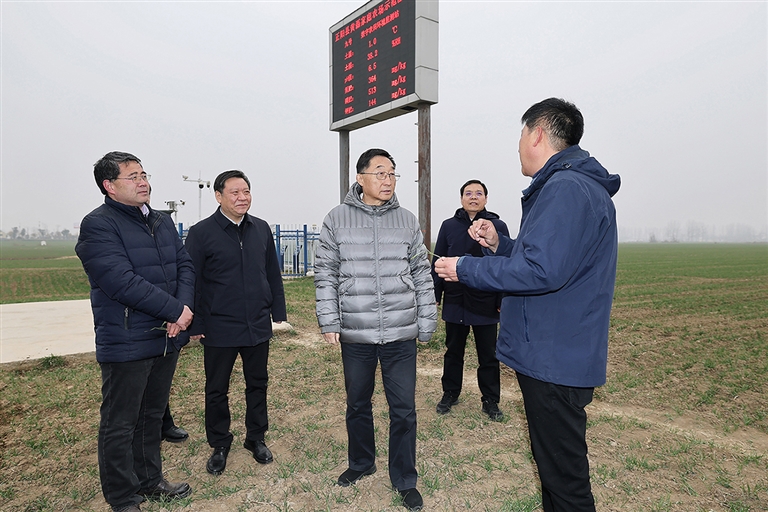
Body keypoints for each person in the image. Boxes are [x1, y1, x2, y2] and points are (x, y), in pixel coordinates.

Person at [435, 98, 621, 511]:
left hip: (555, 356)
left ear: (537, 134)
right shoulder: (575, 186)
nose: (518, 145)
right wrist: (500, 245)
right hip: (560, 351)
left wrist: (464, 267)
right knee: (555, 473)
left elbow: (541, 271)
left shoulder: (566, 188)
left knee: (566, 483)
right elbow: (550, 258)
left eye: (521, 135)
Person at [315, 148, 438, 512]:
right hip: (356, 332)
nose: (388, 180)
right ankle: (361, 462)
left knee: (404, 409)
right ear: (361, 178)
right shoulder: (336, 219)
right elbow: (326, 272)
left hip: (400, 333)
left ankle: (404, 478)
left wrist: (427, 320)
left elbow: (421, 272)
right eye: (380, 173)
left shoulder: (406, 220)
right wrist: (329, 320)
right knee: (357, 403)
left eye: (392, 173)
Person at [76, 151, 195, 512]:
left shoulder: (160, 221)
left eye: (144, 174)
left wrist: (181, 311)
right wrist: (175, 310)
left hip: (166, 335)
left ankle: (150, 480)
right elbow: (120, 281)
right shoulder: (99, 225)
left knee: (151, 416)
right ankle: (122, 496)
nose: (143, 182)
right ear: (109, 186)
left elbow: (185, 265)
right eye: (133, 177)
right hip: (127, 338)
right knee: (120, 423)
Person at [184, 170, 287, 476]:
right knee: (217, 389)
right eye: (235, 193)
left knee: (258, 384)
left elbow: (272, 272)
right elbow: (192, 280)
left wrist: (277, 310)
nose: (242, 198)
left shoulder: (261, 228)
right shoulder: (201, 233)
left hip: (256, 324)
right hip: (219, 326)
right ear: (219, 196)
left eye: (246, 192)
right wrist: (195, 323)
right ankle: (219, 443)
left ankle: (256, 437)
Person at [431, 179, 509, 421]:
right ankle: (450, 393)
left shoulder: (497, 226)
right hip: (456, 300)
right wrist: (435, 294)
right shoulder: (448, 226)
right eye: (468, 193)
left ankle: (490, 400)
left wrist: (502, 299)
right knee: (453, 351)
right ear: (461, 198)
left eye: (478, 193)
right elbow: (438, 261)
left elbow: (505, 264)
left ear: (486, 198)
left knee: (489, 355)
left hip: (486, 301)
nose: (473, 197)